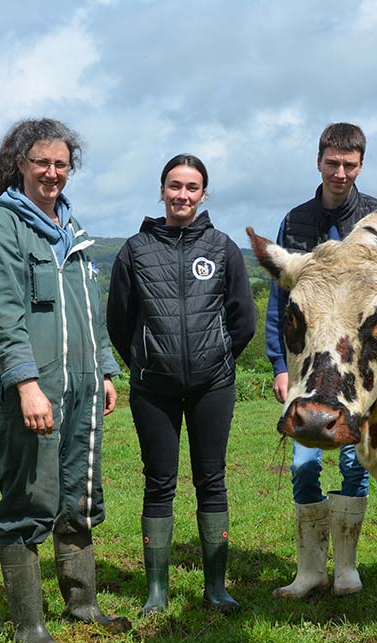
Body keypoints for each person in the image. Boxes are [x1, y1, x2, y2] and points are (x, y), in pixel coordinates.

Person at [0, 118, 129, 643]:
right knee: (30, 500)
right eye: (42, 162)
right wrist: (26, 385)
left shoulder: (70, 227)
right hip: (33, 391)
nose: (53, 172)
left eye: (61, 163)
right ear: (21, 164)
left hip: (83, 388)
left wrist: (105, 367)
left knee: (79, 495)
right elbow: (3, 315)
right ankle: (30, 627)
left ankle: (83, 604)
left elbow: (90, 313)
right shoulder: (2, 225)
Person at [107, 154, 255, 616]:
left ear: (203, 194)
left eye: (192, 187)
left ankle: (216, 588)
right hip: (154, 389)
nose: (183, 195)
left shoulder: (222, 247)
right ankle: (156, 591)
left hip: (214, 385)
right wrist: (146, 361)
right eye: (175, 186)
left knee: (212, 481)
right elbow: (118, 321)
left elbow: (243, 318)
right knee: (159, 484)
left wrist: (217, 355)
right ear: (162, 190)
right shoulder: (134, 250)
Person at [267, 123, 377, 599]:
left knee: (356, 463)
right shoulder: (294, 223)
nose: (340, 173)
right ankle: (310, 569)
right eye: (332, 163)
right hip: (307, 375)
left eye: (349, 165)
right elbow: (282, 306)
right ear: (318, 162)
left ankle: (347, 570)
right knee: (303, 464)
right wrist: (279, 365)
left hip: (357, 377)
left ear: (360, 166)